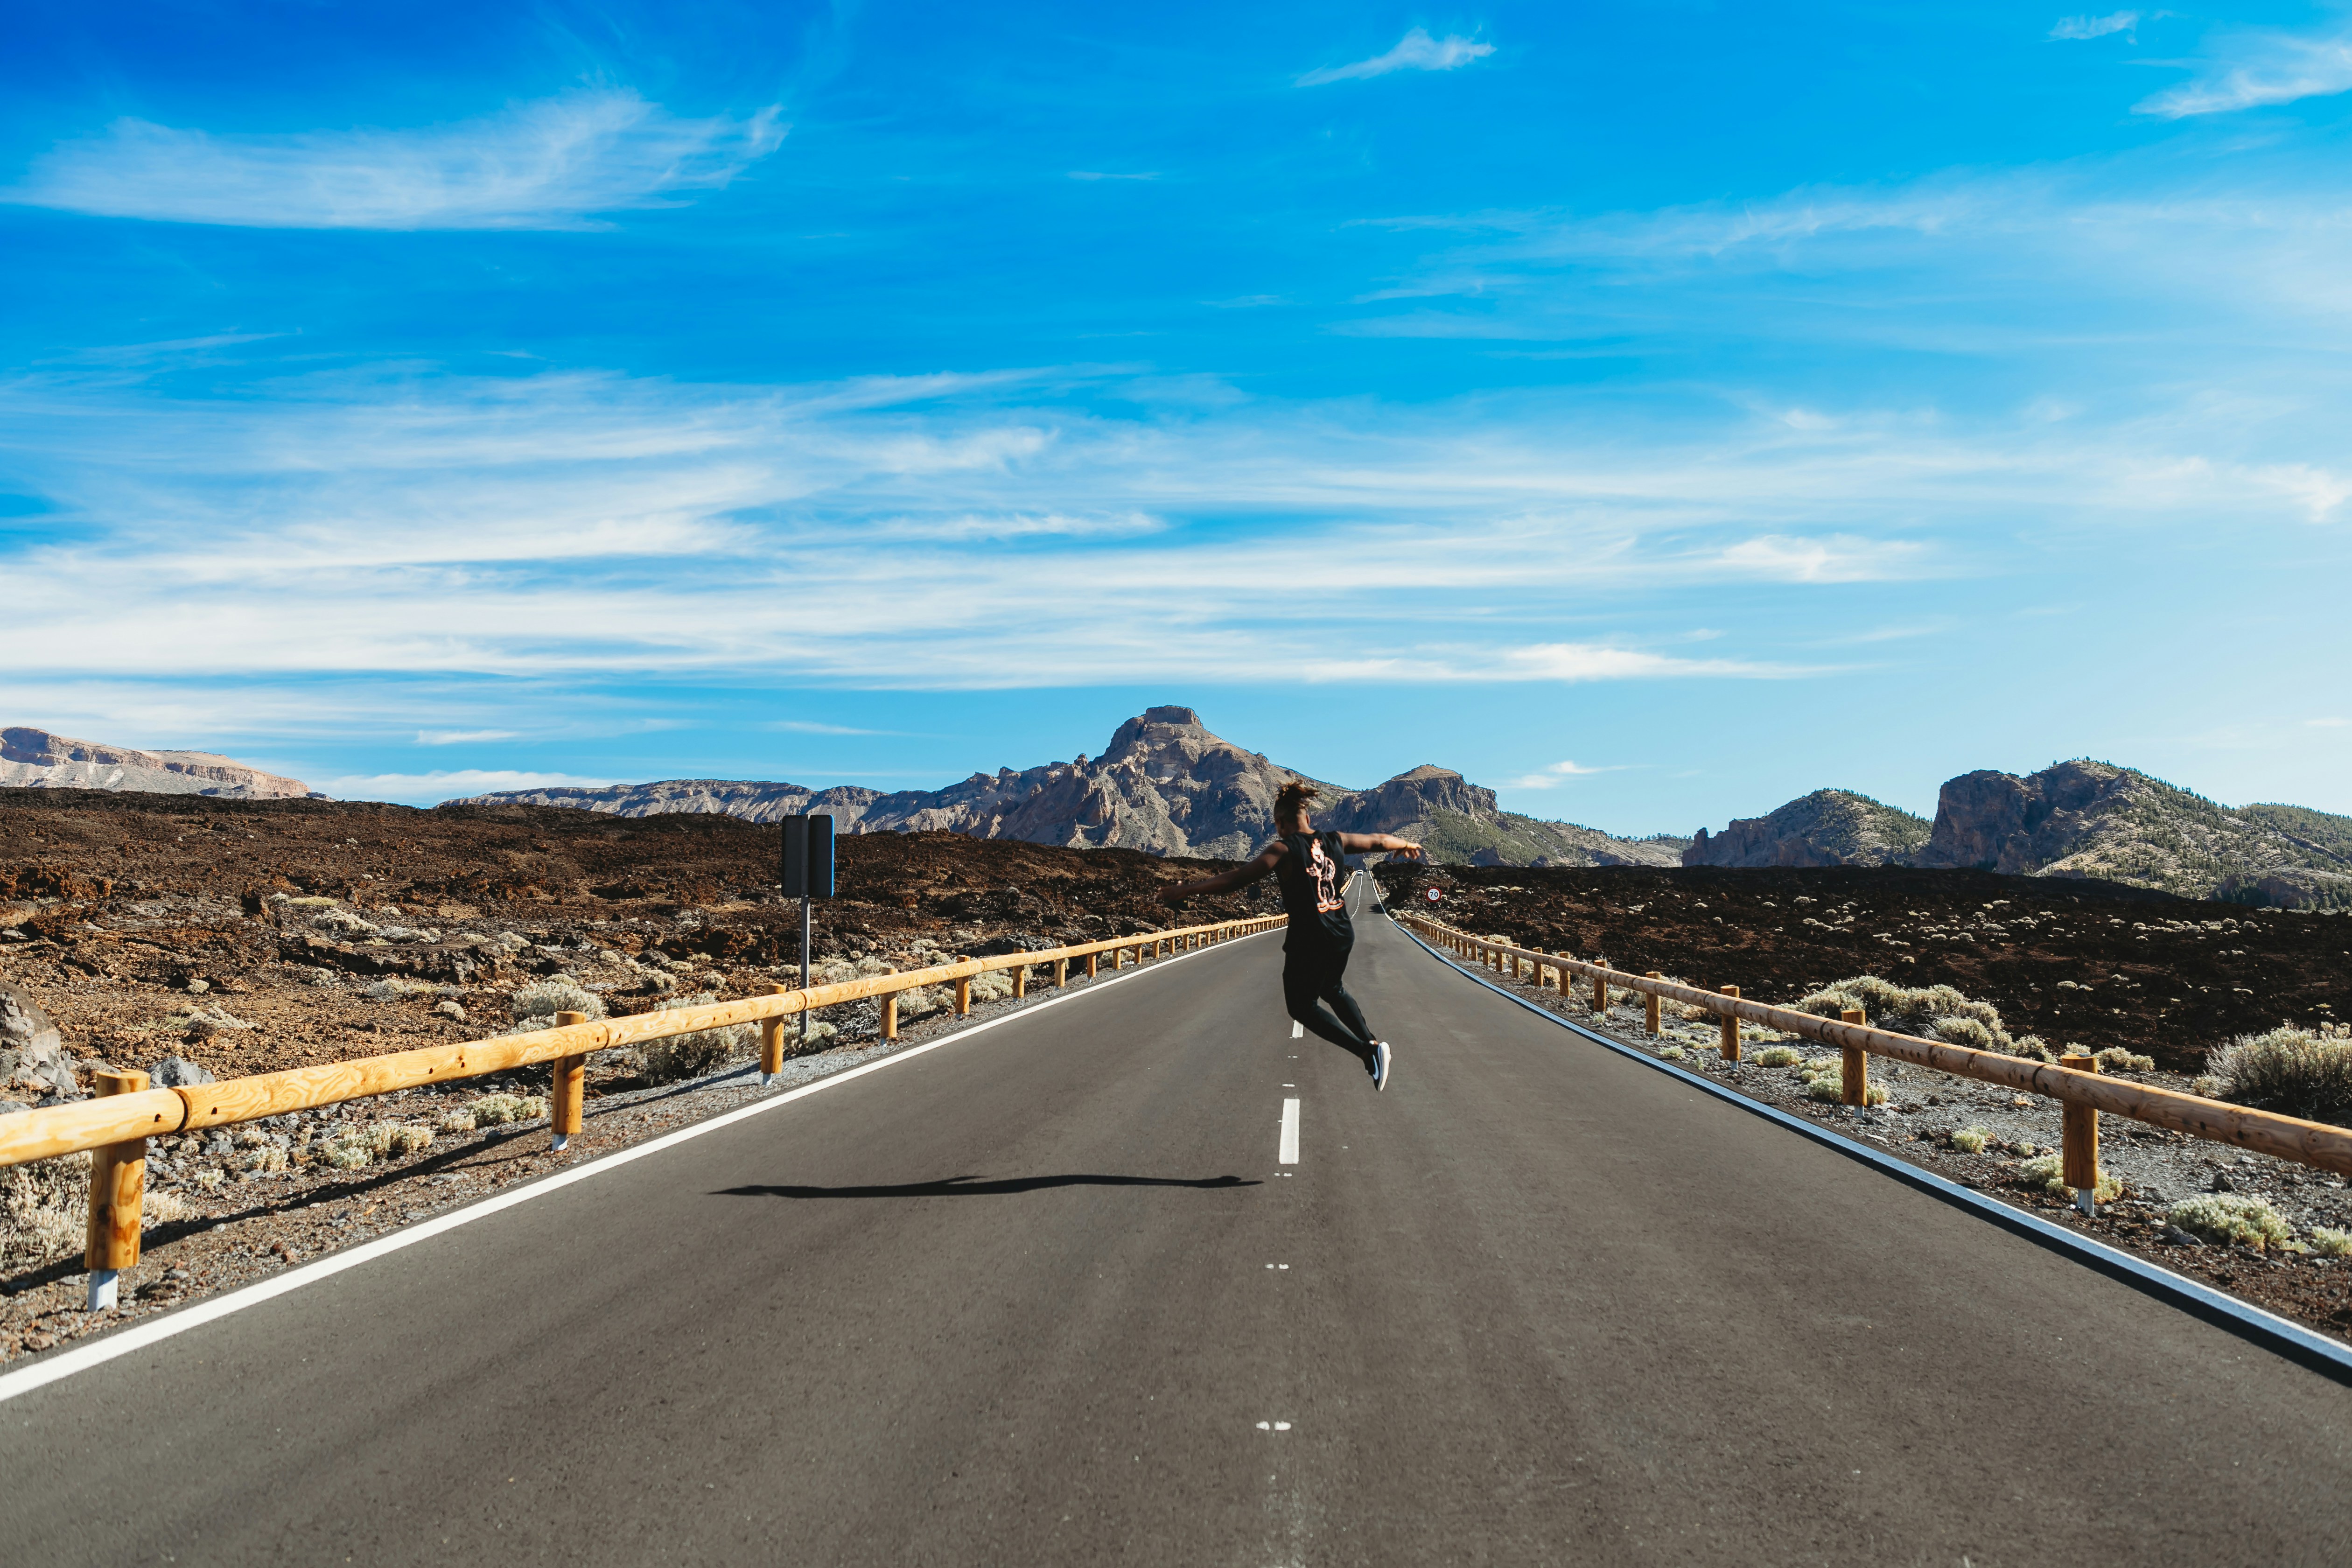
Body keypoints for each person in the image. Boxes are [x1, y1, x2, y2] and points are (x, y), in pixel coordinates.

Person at [1157, 781, 1422, 1089]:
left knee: (1301, 1006)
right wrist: (1403, 844)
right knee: (1332, 988)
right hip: (1341, 932)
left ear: (1280, 824)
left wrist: (1186, 889)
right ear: (1308, 819)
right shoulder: (1335, 839)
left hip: (1310, 938)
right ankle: (1373, 1044)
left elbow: (1237, 879)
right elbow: (1376, 841)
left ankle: (1367, 1051)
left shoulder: (1282, 849)